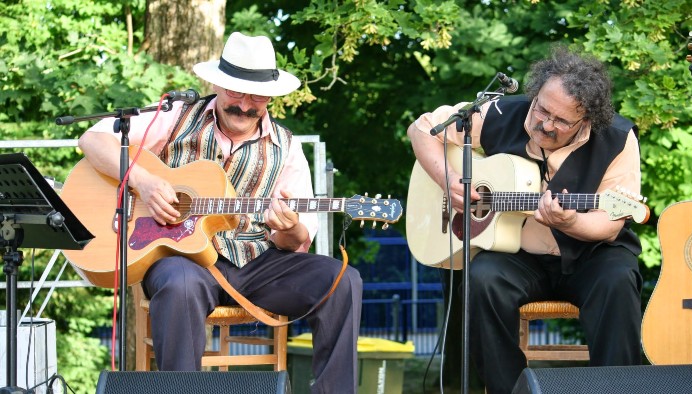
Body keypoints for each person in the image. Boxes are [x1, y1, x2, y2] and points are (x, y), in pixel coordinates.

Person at [78, 32, 363, 394]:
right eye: (235, 92)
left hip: (257, 264)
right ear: (216, 83)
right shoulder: (175, 116)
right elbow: (93, 139)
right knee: (181, 283)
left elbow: (297, 238)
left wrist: (288, 228)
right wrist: (145, 182)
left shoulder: (287, 148)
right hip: (181, 259)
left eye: (257, 96)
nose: (245, 105)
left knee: (343, 280)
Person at [407, 45, 643, 394]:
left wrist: (568, 223)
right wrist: (449, 181)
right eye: (541, 109)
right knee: (481, 278)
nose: (545, 124)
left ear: (588, 120)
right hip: (519, 255)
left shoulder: (617, 139)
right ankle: (511, 389)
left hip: (592, 255)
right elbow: (421, 129)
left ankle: (618, 389)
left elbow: (609, 225)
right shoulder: (499, 112)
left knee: (618, 279)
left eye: (561, 121)